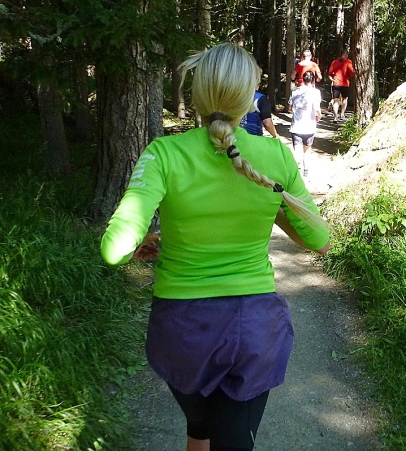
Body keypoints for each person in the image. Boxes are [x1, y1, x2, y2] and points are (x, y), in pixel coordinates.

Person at [100, 43, 330, 451]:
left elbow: (114, 250)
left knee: (199, 427)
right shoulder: (275, 156)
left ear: (197, 94)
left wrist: (145, 238)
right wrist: (270, 206)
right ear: (249, 98)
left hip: (182, 333)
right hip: (253, 332)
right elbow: (319, 240)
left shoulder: (164, 153)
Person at [288, 71, 322, 179]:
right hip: (309, 126)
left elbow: (289, 108)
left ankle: (295, 173)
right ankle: (306, 171)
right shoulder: (315, 92)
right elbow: (316, 109)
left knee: (297, 150)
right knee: (307, 149)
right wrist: (319, 116)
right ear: (313, 80)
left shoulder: (295, 91)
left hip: (296, 126)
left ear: (303, 79)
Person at [240, 71, 279, 138]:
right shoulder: (261, 99)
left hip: (236, 137)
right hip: (254, 137)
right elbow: (267, 123)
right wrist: (275, 135)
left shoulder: (236, 96)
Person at [327, 49, 355, 123]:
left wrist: (332, 79)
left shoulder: (334, 62)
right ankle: (342, 114)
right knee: (344, 99)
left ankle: (335, 117)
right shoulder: (348, 62)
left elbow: (330, 73)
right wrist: (349, 76)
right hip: (345, 83)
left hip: (336, 83)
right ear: (346, 55)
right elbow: (351, 72)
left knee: (336, 100)